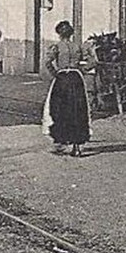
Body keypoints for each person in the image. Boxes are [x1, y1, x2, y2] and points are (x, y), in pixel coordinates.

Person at [42, 20, 94, 155]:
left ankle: (61, 141)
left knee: (59, 109)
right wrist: (82, 69)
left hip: (62, 80)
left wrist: (56, 74)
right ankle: (76, 146)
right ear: (71, 33)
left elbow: (47, 62)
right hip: (76, 79)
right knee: (77, 109)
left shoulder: (57, 47)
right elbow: (93, 62)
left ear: (59, 33)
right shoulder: (78, 46)